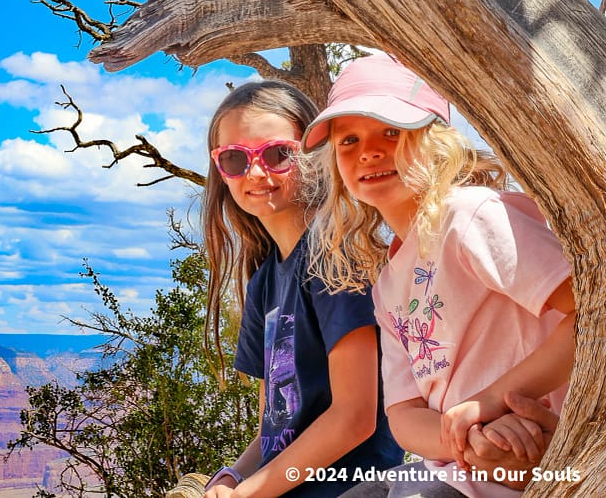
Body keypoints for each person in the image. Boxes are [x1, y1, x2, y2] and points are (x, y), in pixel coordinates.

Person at [301, 53, 575, 497]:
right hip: (459, 465)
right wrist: (469, 441)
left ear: (435, 141)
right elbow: (405, 415)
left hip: (537, 454)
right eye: (348, 141)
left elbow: (591, 316)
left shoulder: (471, 217)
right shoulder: (390, 281)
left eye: (391, 132)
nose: (368, 150)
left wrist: (486, 406)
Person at [201, 80, 402, 497]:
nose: (255, 173)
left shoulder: (336, 255)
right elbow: (272, 431)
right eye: (235, 159)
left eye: (277, 155)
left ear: (313, 156)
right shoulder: (264, 283)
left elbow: (355, 416)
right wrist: (232, 477)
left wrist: (249, 494)